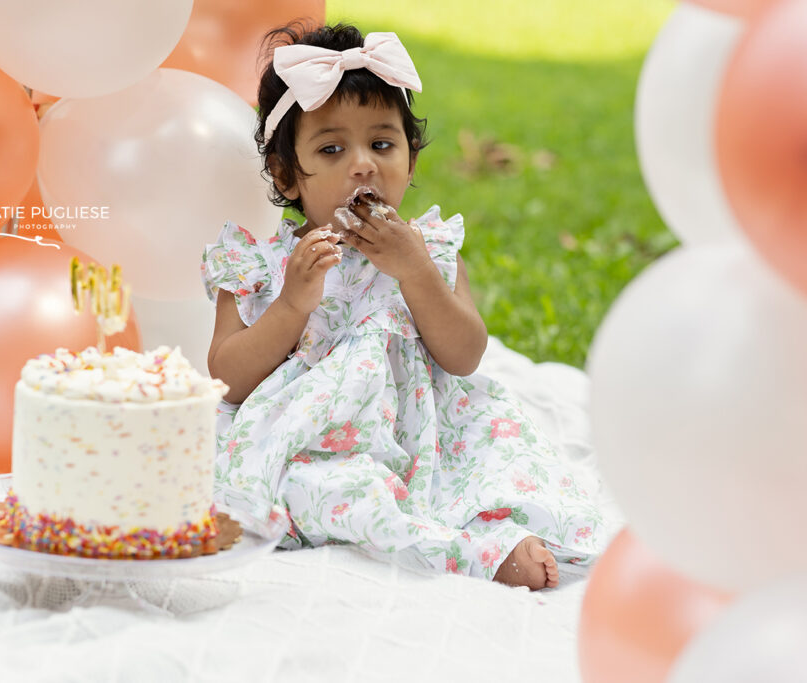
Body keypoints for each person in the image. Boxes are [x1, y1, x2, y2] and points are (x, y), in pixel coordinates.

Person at [201, 22, 610, 590]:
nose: (363, 163)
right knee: (320, 490)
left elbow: (464, 355)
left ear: (411, 163)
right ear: (286, 175)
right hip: (315, 439)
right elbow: (227, 378)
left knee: (499, 462)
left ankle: (492, 533)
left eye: (383, 144)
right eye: (332, 148)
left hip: (424, 435)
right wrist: (291, 306)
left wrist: (415, 271)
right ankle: (463, 551)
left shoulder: (430, 250)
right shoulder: (261, 266)